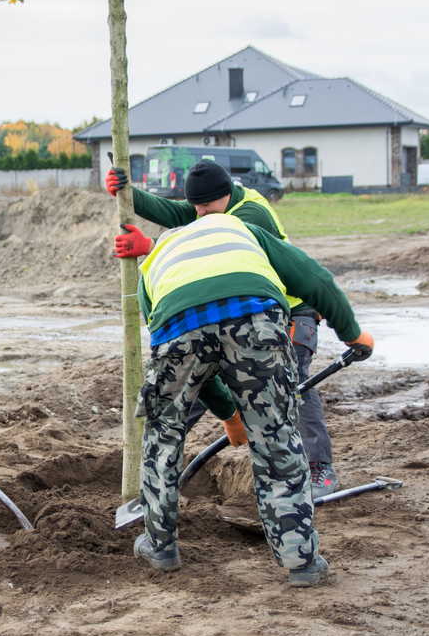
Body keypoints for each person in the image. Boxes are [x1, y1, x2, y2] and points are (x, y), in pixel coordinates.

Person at [113, 206, 373, 587]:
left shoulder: (156, 259)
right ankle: (300, 562)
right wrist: (352, 334)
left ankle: (161, 546)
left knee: (163, 434)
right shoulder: (240, 229)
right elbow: (315, 279)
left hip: (179, 328)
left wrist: (229, 415)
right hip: (254, 321)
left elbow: (176, 349)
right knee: (276, 438)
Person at [107, 162, 343, 499]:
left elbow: (203, 249)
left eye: (205, 207)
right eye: (196, 207)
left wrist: (153, 249)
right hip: (237, 315)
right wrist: (126, 192)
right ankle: (155, 467)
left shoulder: (251, 216)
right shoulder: (215, 207)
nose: (199, 214)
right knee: (193, 380)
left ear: (226, 196)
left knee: (293, 385)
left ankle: (319, 469)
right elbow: (177, 213)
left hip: (289, 314)